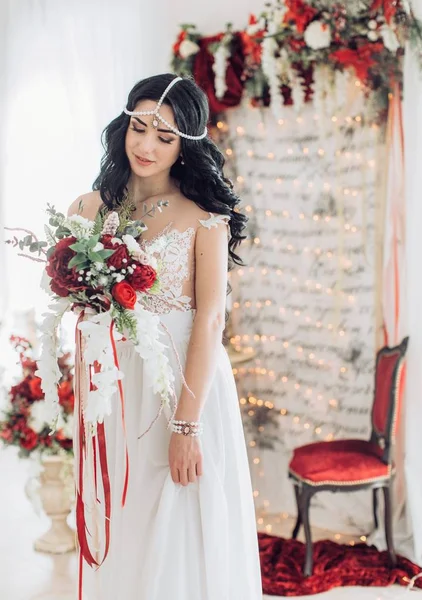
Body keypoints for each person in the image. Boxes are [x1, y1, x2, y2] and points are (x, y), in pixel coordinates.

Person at [67, 74, 263, 600]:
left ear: (186, 146)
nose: (146, 146)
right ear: (123, 125)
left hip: (183, 387)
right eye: (139, 127)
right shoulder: (87, 210)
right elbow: (78, 307)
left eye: (165, 136)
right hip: (116, 386)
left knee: (174, 515)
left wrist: (187, 425)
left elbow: (210, 321)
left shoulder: (205, 221)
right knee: (123, 511)